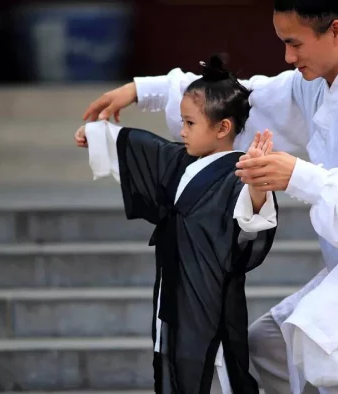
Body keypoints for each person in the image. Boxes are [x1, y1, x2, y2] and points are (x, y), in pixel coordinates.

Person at [81, 1, 338, 393]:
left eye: (295, 43)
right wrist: (142, 90)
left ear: (335, 31)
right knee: (265, 351)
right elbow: (239, 99)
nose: (288, 57)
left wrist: (299, 176)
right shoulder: (318, 86)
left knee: (323, 339)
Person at [75, 55, 279, 394]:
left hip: (212, 300)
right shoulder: (181, 162)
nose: (181, 131)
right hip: (175, 295)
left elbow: (251, 230)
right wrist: (98, 136)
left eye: (189, 123)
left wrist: (257, 187)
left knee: (218, 374)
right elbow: (144, 147)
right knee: (174, 368)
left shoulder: (238, 175)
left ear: (222, 127)